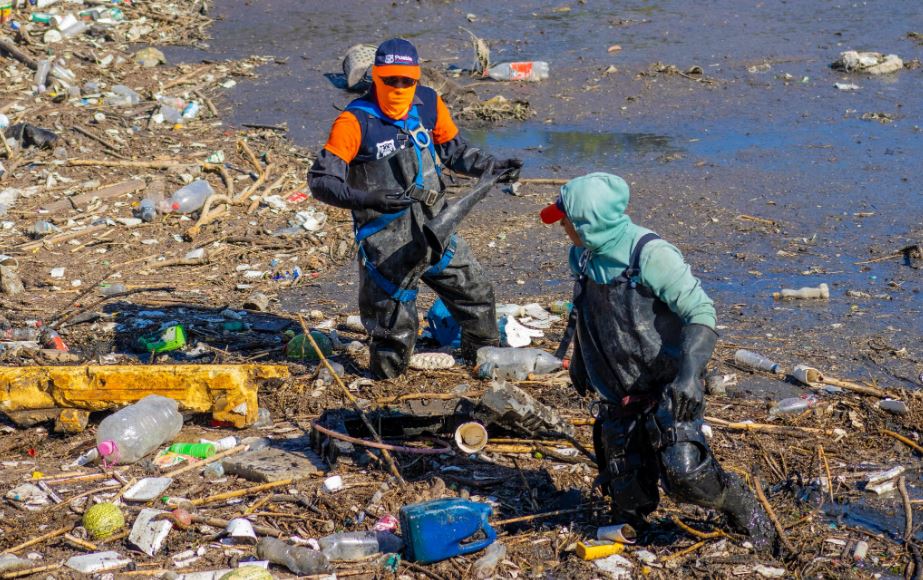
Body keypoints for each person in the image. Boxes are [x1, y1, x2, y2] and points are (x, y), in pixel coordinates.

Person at [540, 173, 776, 551]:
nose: (561, 227)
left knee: (686, 475)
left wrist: (690, 376)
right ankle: (636, 535)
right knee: (627, 494)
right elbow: (585, 308)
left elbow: (702, 314)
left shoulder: (650, 254)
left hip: (668, 387)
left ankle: (743, 508)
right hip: (618, 393)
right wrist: (581, 359)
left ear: (589, 222)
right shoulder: (582, 256)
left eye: (566, 220)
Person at [309, 38, 521, 379]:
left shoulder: (429, 103)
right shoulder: (354, 122)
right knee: (393, 330)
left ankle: (482, 364)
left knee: (477, 294)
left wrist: (491, 166)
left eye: (406, 81)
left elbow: (454, 151)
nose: (398, 87)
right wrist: (368, 199)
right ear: (375, 77)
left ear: (417, 79)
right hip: (386, 246)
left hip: (437, 231)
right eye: (389, 80)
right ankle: (386, 386)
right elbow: (321, 181)